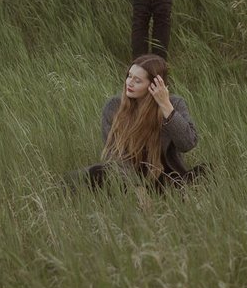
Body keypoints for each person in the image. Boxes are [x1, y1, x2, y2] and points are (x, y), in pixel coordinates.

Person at [65, 54, 205, 192]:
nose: (129, 83)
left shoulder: (174, 103)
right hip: (125, 177)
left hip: (165, 176)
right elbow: (115, 155)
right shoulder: (114, 106)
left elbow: (187, 144)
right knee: (93, 174)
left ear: (154, 85)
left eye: (137, 80)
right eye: (129, 76)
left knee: (206, 171)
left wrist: (166, 106)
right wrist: (136, 189)